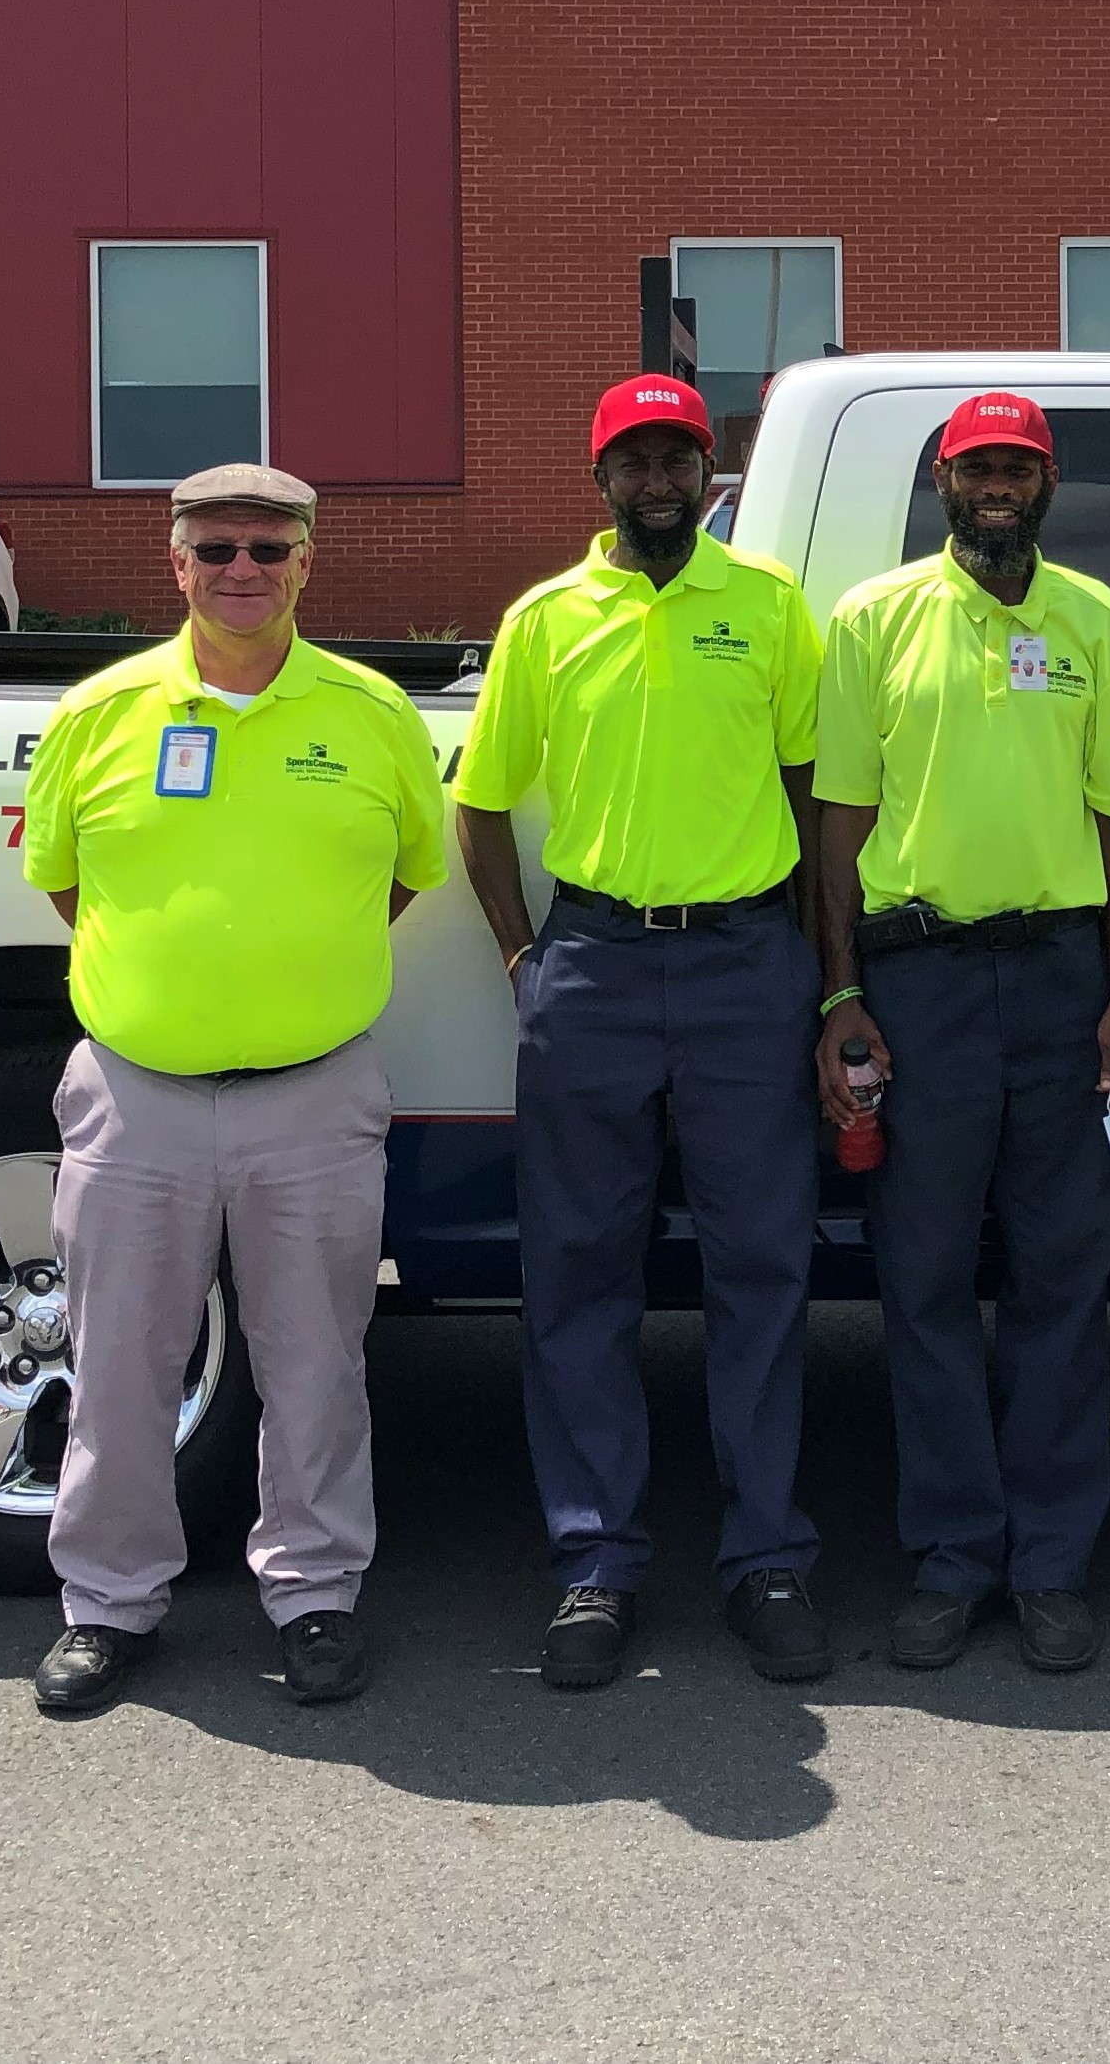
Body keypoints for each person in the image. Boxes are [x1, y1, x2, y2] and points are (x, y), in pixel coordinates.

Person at [20, 464, 445, 1714]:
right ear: (176, 562)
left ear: (310, 560)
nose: (243, 570)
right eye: (217, 550)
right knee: (120, 1366)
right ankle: (107, 1603)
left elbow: (410, 872)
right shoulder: (99, 714)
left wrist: (287, 980)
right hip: (136, 1095)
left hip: (313, 1099)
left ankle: (313, 1595)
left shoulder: (371, 716)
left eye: (270, 547)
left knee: (317, 1362)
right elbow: (64, 883)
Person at [454, 376, 829, 1692]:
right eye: (634, 456)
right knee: (577, 1276)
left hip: (743, 965)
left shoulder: (770, 609)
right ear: (600, 472)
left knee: (761, 1273)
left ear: (703, 463)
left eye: (677, 452)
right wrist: (521, 952)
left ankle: (767, 1556)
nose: (658, 475)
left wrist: (813, 973)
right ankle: (594, 1564)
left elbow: (808, 799)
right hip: (596, 964)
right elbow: (482, 803)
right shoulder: (544, 620)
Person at [813, 391, 1110, 1676]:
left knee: (1066, 1278)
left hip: (1065, 980)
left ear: (1048, 483)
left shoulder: (1099, 621)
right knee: (927, 1278)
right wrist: (840, 995)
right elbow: (837, 825)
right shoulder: (874, 620)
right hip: (921, 987)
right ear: (942, 486)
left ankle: (1053, 1563)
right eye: (975, 468)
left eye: (1018, 467)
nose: (996, 485)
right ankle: (955, 1555)